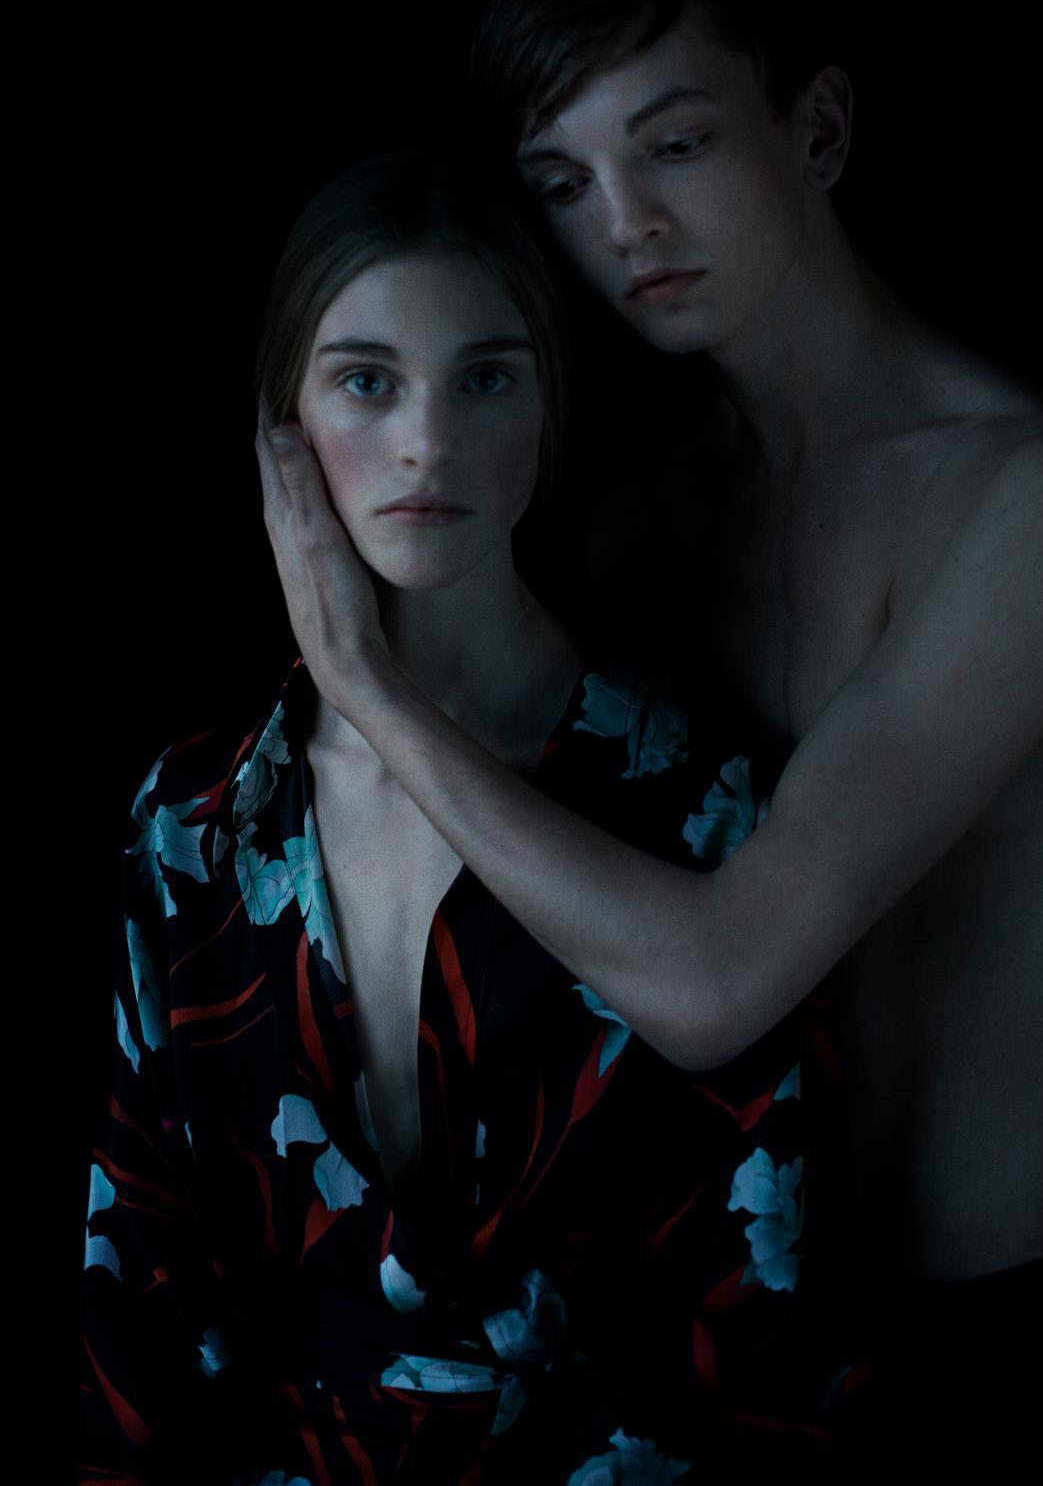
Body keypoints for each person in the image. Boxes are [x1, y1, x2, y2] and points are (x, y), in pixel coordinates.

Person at [231, 0, 1043, 1458]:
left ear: (819, 130)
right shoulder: (642, 533)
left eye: (674, 145)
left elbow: (723, 977)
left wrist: (364, 684)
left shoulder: (1041, 506)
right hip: (703, 1352)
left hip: (986, 1330)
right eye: (563, 183)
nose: (627, 225)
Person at [79, 150, 863, 1485]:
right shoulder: (194, 822)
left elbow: (768, 1317)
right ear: (281, 424)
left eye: (486, 378)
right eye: (366, 381)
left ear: (552, 408)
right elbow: (136, 1294)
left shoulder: (696, 810)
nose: (426, 443)